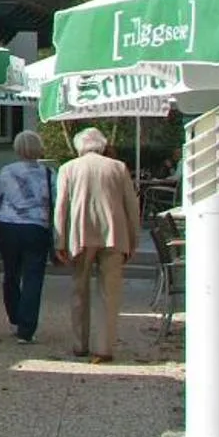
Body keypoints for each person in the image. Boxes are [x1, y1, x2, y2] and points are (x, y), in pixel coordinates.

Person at [56, 127, 141, 364]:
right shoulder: (118, 167)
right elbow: (132, 206)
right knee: (109, 292)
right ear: (102, 145)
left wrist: (60, 240)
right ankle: (104, 347)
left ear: (78, 146)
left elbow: (61, 207)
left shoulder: (68, 169)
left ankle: (79, 344)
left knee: (79, 290)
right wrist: (133, 239)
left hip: (81, 234)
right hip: (114, 234)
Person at [0, 130, 56, 344]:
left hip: (9, 228)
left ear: (17, 148)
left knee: (11, 274)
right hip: (36, 228)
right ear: (38, 148)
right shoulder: (49, 174)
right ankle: (26, 328)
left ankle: (15, 317)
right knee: (33, 277)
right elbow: (56, 204)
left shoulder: (6, 172)